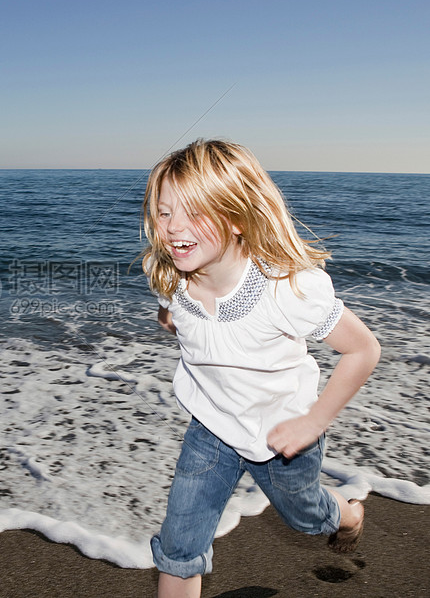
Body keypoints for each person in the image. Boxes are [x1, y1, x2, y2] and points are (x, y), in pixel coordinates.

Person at [140, 139, 380, 598]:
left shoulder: (285, 290)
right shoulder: (171, 276)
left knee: (306, 517)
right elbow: (171, 315)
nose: (172, 228)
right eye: (164, 212)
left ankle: (348, 514)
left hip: (282, 431)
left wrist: (313, 421)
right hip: (211, 427)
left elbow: (363, 350)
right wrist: (181, 325)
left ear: (235, 218)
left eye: (194, 213)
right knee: (179, 545)